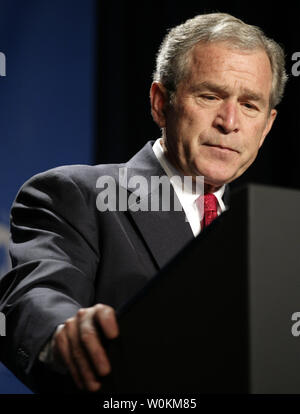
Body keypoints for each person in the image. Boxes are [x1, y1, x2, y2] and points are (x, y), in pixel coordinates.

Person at [0, 12, 287, 393]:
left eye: (250, 105)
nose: (229, 121)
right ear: (159, 103)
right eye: (209, 96)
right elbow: (35, 294)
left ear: (266, 126)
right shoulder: (74, 194)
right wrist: (63, 332)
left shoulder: (274, 239)